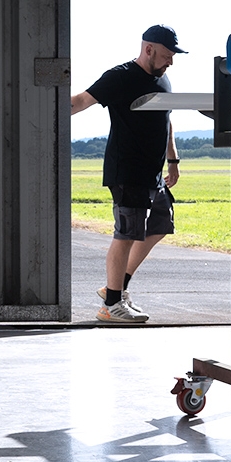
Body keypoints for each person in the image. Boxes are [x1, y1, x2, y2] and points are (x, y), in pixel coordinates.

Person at [72, 24, 185, 324]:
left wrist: (172, 160)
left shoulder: (164, 81)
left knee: (161, 223)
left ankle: (116, 289)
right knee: (127, 234)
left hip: (154, 173)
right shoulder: (120, 76)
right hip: (128, 170)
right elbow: (82, 100)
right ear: (148, 49)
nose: (170, 62)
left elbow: (167, 120)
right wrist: (39, 111)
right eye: (166, 55)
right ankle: (111, 304)